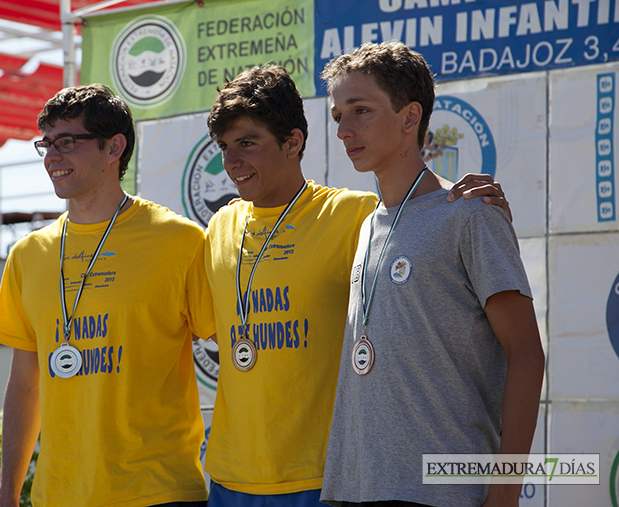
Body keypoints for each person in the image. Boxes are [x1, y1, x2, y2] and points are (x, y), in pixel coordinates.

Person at [201, 66, 512, 506]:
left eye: (247, 143)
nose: (232, 162)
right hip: (230, 477)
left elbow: (420, 220)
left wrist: (472, 200)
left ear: (293, 143)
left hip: (328, 475)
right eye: (225, 148)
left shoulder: (357, 216)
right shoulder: (219, 226)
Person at [319, 41, 544, 507]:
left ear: (410, 116)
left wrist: (504, 492)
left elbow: (526, 354)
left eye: (360, 110)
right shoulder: (368, 224)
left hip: (444, 492)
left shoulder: (469, 213)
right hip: (358, 488)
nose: (343, 129)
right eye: (338, 114)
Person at [0, 84, 215, 507]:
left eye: (68, 142)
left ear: (114, 148)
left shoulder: (179, 241)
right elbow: (24, 385)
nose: (53, 156)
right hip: (60, 495)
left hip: (161, 492)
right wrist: (8, 492)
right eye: (47, 144)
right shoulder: (27, 255)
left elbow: (234, 350)